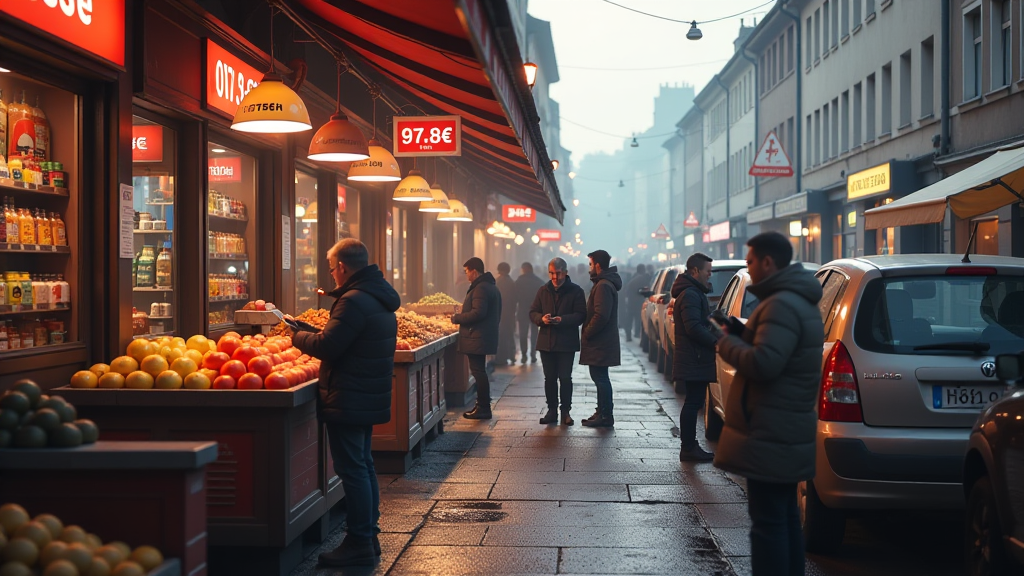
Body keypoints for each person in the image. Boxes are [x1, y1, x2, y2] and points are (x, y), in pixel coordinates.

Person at [713, 231, 824, 576]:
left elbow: (764, 363)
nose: (748, 269)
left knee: (768, 524)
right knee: (784, 517)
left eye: (749, 262)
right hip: (784, 426)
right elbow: (777, 349)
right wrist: (739, 331)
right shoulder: (794, 301)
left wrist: (724, 343)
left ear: (767, 262)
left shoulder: (780, 304)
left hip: (771, 429)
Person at [288, 239, 399, 567]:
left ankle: (360, 541)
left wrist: (296, 336)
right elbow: (344, 338)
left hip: (350, 394)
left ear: (343, 268)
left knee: (353, 469)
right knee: (363, 466)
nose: (331, 274)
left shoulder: (353, 300)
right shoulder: (376, 295)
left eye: (332, 267)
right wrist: (310, 330)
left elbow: (329, 347)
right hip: (364, 393)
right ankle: (368, 536)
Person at [670, 253, 718, 462]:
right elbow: (693, 328)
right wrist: (716, 342)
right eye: (708, 271)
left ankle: (689, 446)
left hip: (693, 356)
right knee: (692, 403)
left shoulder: (693, 292)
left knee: (693, 402)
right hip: (694, 356)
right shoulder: (690, 294)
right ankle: (688, 447)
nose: (710, 275)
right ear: (695, 271)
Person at [529, 257, 587, 426]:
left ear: (565, 272)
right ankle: (552, 410)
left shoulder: (576, 291)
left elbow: (581, 315)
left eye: (558, 273)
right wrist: (542, 318)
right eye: (552, 273)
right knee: (549, 378)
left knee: (565, 378)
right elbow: (533, 312)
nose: (555, 277)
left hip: (566, 342)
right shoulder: (543, 290)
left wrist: (563, 320)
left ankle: (566, 412)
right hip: (546, 342)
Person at [451, 257, 501, 419]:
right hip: (481, 336)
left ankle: (483, 407)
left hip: (477, 336)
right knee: (480, 372)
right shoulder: (488, 286)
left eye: (467, 272)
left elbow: (478, 313)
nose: (466, 275)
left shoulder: (481, 288)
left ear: (474, 270)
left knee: (478, 372)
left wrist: (457, 318)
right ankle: (483, 406)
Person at [579, 249, 622, 427]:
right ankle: (602, 412)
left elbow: (601, 315)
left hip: (600, 341)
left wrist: (588, 331)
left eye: (590, 264)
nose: (589, 268)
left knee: (600, 377)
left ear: (597, 265)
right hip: (602, 341)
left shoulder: (603, 285)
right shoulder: (603, 283)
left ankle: (605, 415)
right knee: (600, 376)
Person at [514, 262, 544, 364]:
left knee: (523, 333)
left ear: (523, 269)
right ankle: (533, 354)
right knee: (534, 334)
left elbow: (515, 297)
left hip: (522, 310)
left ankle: (524, 355)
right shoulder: (538, 281)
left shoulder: (519, 281)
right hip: (535, 311)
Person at [494, 262, 518, 366]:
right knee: (510, 334)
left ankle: (501, 358)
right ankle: (511, 355)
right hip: (510, 313)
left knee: (501, 336)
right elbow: (515, 299)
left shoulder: (497, 282)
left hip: (500, 313)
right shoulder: (512, 282)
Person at [623, 264, 651, 342]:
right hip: (638, 302)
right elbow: (645, 289)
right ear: (643, 270)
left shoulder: (633, 277)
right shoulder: (642, 279)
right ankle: (636, 333)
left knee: (630, 319)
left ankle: (629, 335)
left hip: (631, 301)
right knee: (638, 318)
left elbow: (627, 289)